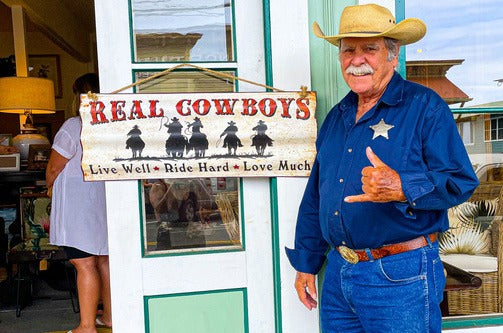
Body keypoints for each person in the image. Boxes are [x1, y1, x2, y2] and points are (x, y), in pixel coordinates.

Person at [285, 4, 479, 332]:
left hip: (400, 274)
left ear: (393, 53)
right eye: (348, 50)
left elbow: (460, 181)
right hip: (338, 275)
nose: (357, 60)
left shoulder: (425, 107)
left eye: (369, 49)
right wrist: (307, 263)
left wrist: (402, 186)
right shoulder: (336, 116)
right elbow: (317, 197)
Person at [46, 73, 112, 333]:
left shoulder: (74, 125)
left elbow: (54, 166)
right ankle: (109, 316)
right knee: (104, 260)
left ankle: (86, 326)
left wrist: (49, 185)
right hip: (103, 201)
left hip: (78, 205)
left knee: (83, 262)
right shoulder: (109, 124)